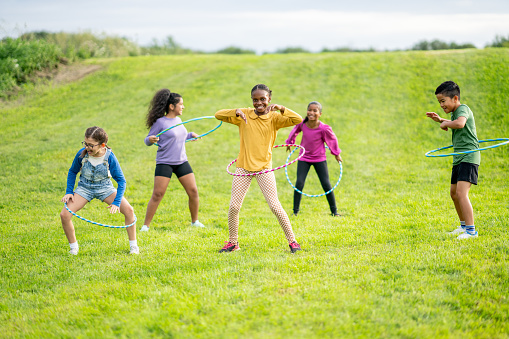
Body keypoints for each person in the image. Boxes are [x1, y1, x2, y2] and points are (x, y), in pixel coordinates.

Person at [215, 84, 303, 253]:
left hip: (263, 168)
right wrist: (235, 111)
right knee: (234, 207)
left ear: (269, 99)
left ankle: (293, 242)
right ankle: (233, 243)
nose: (259, 103)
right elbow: (218, 115)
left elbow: (297, 120)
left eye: (263, 99)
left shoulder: (274, 117)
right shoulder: (244, 114)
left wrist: (281, 108)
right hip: (243, 167)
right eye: (255, 100)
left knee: (275, 206)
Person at [60, 126, 139, 255]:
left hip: (105, 188)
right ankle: (73, 247)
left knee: (129, 210)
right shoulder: (82, 154)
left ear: (102, 145)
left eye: (91, 145)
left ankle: (134, 247)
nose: (87, 147)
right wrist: (69, 191)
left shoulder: (110, 157)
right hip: (84, 188)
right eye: (85, 143)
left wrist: (116, 202)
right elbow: (73, 171)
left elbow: (121, 181)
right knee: (64, 214)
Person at [141, 89, 204, 232]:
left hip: (181, 161)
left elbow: (179, 136)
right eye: (181, 104)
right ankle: (145, 226)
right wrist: (150, 140)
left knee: (193, 191)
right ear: (171, 106)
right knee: (158, 194)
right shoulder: (160, 122)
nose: (183, 107)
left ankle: (195, 221)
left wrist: (190, 135)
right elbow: (148, 139)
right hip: (165, 162)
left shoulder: (179, 120)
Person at [426, 81, 480, 239]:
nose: (441, 104)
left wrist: (447, 123)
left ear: (455, 98)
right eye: (439, 102)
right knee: (454, 193)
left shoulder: (463, 109)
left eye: (443, 101)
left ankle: (471, 231)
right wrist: (441, 120)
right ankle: (463, 226)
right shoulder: (454, 113)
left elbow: (460, 123)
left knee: (462, 193)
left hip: (469, 155)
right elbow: (454, 122)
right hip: (459, 157)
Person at [285, 101, 342, 217]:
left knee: (326, 184)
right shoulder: (302, 124)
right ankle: (295, 212)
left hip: (319, 159)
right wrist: (290, 143)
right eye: (310, 110)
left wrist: (336, 153)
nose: (311, 112)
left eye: (315, 111)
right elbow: (294, 132)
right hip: (304, 158)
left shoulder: (323, 128)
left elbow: (332, 140)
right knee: (299, 183)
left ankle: (334, 212)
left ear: (320, 113)